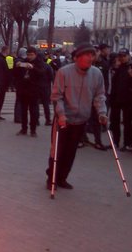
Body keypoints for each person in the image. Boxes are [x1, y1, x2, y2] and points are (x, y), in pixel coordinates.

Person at [45, 43, 107, 190]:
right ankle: (52, 178)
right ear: (77, 58)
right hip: (63, 119)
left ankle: (62, 178)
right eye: (87, 55)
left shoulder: (96, 74)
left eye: (92, 55)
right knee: (57, 150)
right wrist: (61, 114)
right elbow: (56, 96)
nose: (91, 58)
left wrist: (102, 112)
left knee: (71, 151)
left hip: (81, 120)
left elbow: (99, 96)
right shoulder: (64, 72)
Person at [14, 47, 45, 137]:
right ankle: (24, 128)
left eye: (31, 55)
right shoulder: (24, 62)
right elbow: (16, 75)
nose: (29, 57)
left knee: (33, 111)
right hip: (23, 90)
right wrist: (17, 66)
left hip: (34, 90)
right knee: (23, 110)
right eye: (28, 55)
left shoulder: (39, 63)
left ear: (35, 54)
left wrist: (33, 68)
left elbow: (42, 73)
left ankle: (33, 129)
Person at [109, 48, 132, 151]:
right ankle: (115, 142)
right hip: (116, 98)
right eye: (121, 56)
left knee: (127, 122)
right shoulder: (117, 68)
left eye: (124, 56)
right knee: (115, 121)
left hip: (128, 99)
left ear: (128, 56)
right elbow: (114, 83)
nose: (122, 58)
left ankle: (127, 142)